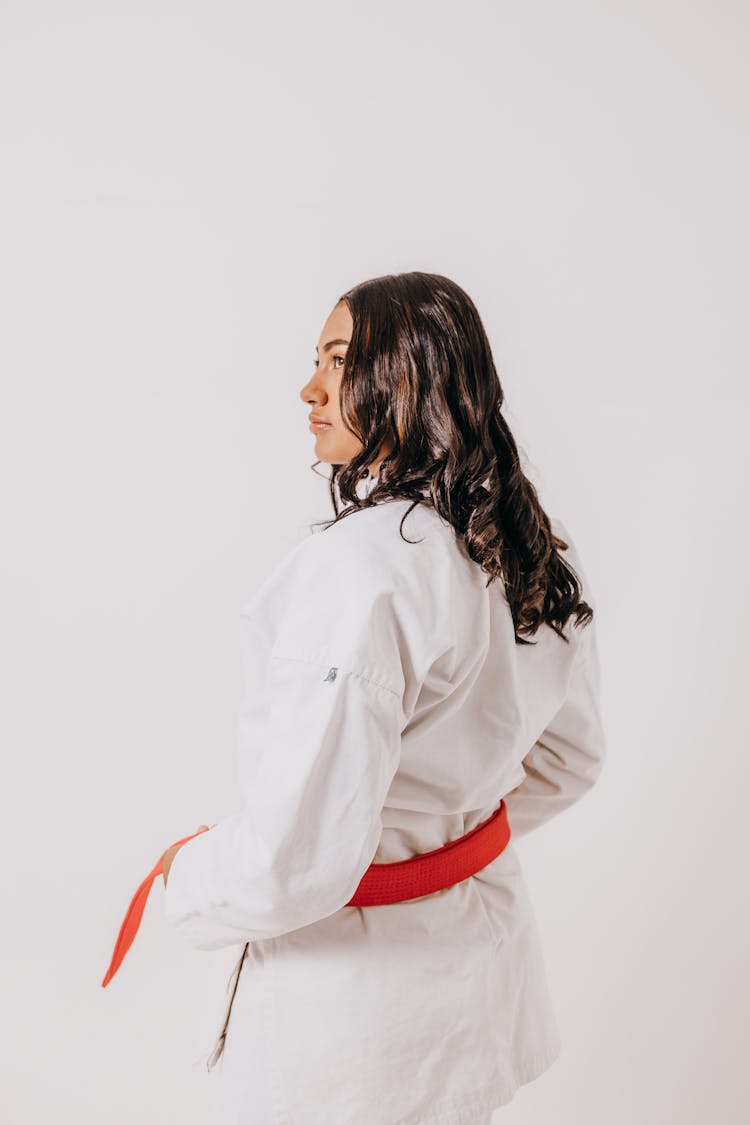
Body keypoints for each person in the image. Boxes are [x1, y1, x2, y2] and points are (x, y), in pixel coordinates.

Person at [161, 272, 607, 1124]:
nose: (310, 388)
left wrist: (180, 878)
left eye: (337, 362)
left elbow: (296, 862)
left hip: (351, 1038)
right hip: (473, 982)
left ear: (406, 382)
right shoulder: (532, 548)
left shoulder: (357, 572)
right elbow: (571, 761)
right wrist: (442, 839)